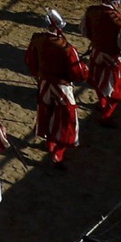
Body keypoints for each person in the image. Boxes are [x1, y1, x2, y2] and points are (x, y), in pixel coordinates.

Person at [24, 9, 84, 165]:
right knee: (66, 118)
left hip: (44, 83)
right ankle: (58, 152)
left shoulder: (37, 39)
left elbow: (30, 60)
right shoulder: (67, 49)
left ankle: (50, 142)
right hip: (62, 87)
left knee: (47, 112)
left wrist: (37, 74)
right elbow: (77, 73)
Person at [80, 0, 121, 125]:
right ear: (117, 3)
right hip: (113, 59)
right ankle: (105, 116)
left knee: (98, 82)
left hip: (96, 54)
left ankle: (102, 104)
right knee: (117, 91)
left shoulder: (91, 11)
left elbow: (84, 31)